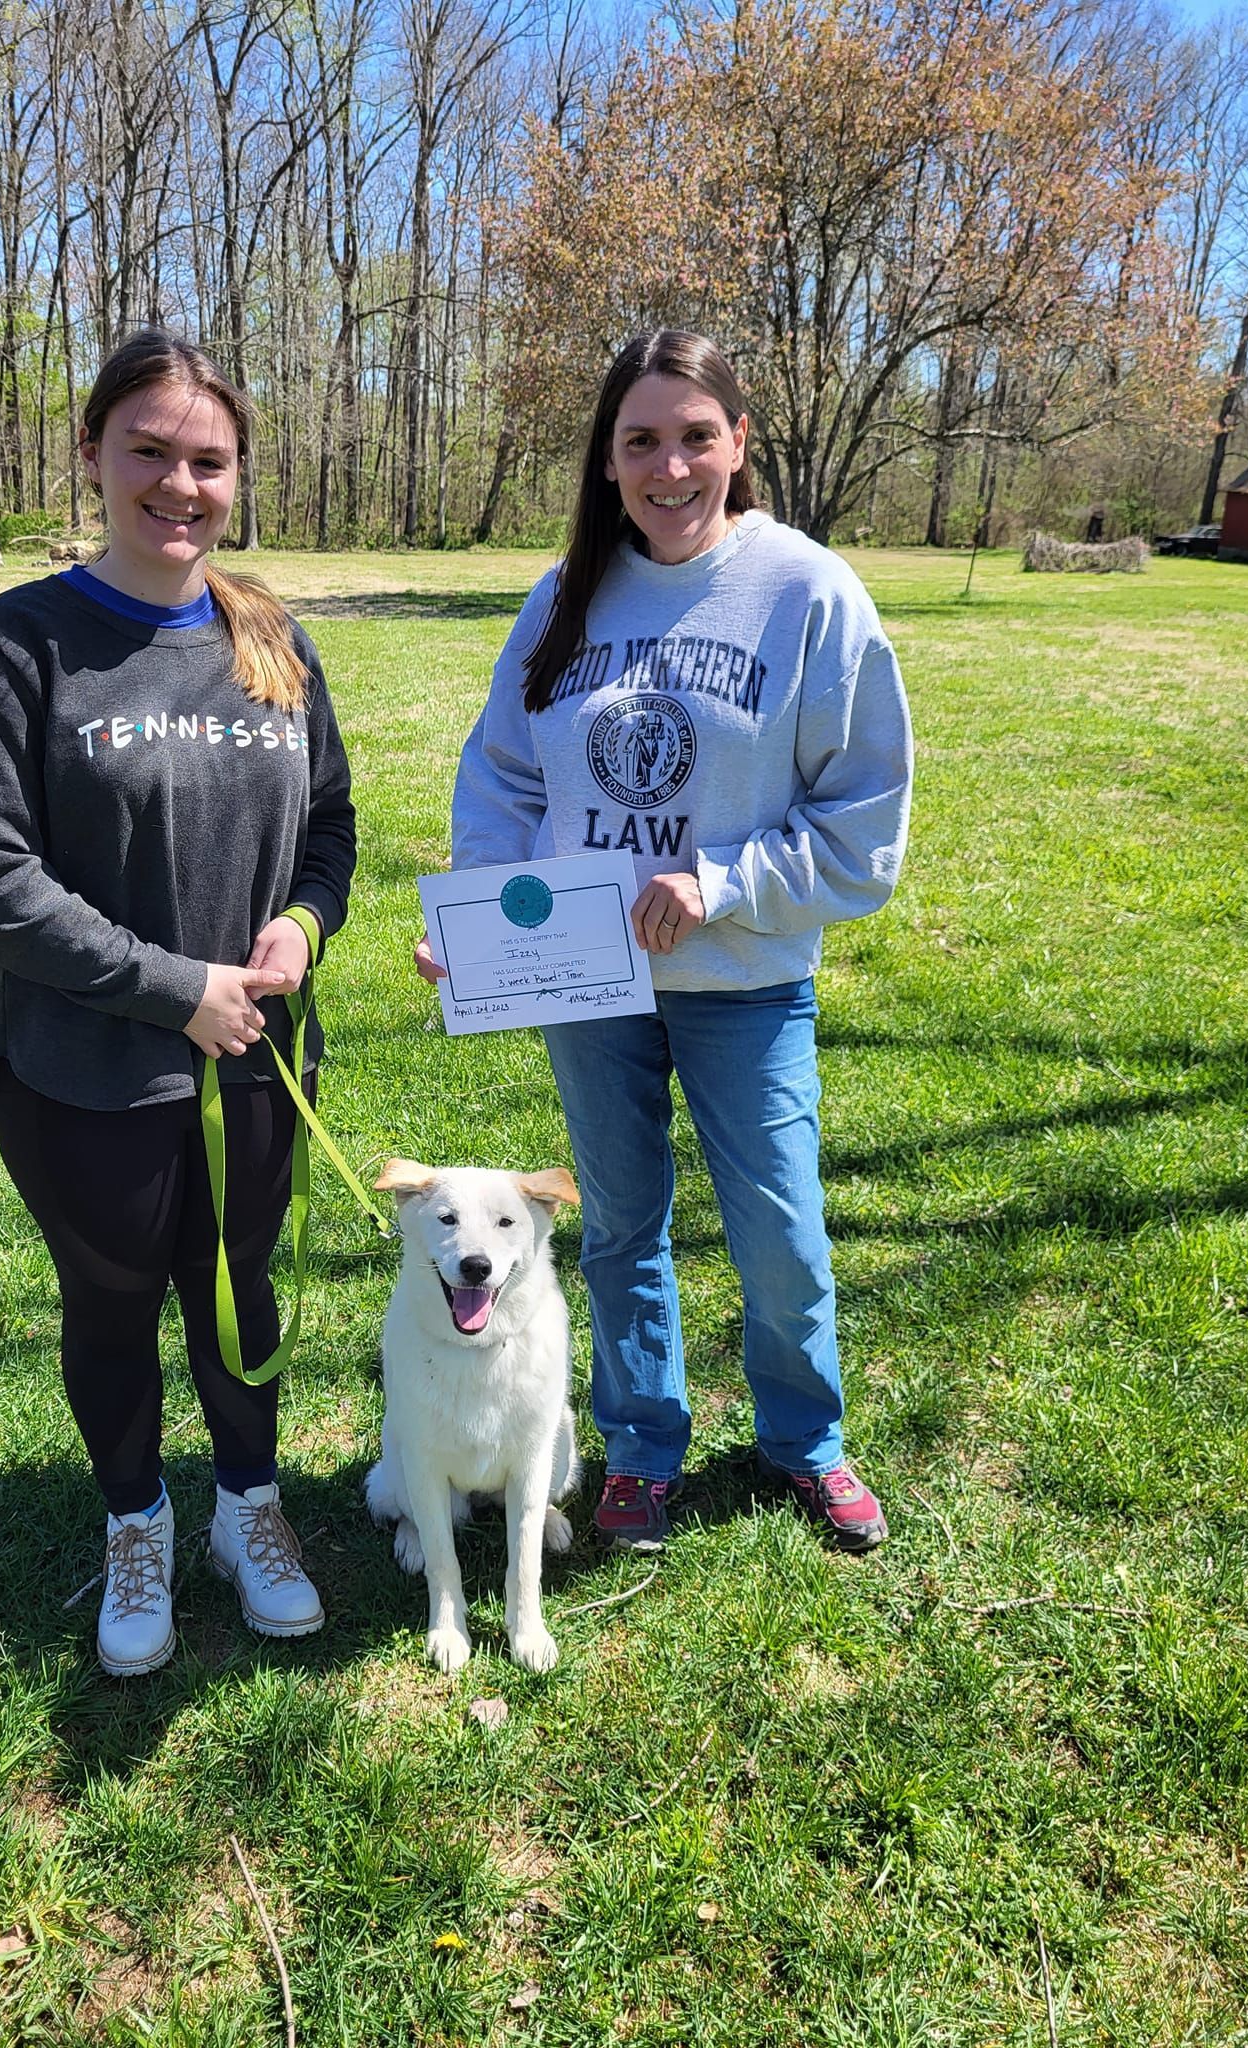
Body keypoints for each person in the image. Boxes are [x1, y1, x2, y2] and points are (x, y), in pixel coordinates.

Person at [416, 330, 911, 1555]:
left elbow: (864, 819)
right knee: (625, 1223)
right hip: (592, 981)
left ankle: (806, 1439)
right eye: (641, 440)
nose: (670, 464)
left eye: (697, 435)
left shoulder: (806, 593)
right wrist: (482, 926)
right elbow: (504, 783)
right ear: (608, 459)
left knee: (780, 1226)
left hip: (744, 980)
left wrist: (727, 881)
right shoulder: (566, 596)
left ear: (740, 443)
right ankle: (641, 1443)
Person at [0, 329, 356, 1674]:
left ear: (240, 475)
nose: (181, 485)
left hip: (256, 1065)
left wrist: (298, 925)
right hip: (86, 1074)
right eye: (151, 454)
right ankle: (135, 1523)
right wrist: (174, 990)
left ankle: (250, 1509)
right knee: (112, 1306)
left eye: (209, 461)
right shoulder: (20, 645)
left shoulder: (269, 635)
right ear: (94, 456)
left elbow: (331, 829)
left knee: (240, 1291)